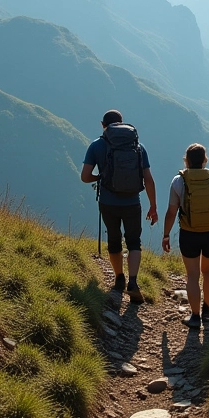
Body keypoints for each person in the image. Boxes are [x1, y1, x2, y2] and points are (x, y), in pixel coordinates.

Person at [81, 109, 158, 303]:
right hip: (133, 202)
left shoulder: (96, 145)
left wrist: (101, 177)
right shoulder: (138, 146)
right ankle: (133, 281)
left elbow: (85, 177)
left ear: (103, 125)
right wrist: (153, 206)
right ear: (122, 123)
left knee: (114, 240)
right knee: (134, 242)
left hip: (108, 202)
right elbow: (148, 179)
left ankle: (119, 278)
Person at [161, 143, 209, 327]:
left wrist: (166, 235)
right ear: (205, 160)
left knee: (192, 275)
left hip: (189, 234)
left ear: (186, 161)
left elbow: (171, 212)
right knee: (208, 271)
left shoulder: (178, 182)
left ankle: (195, 317)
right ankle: (208, 310)